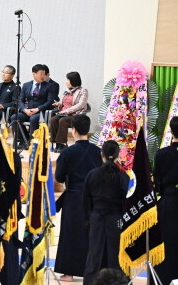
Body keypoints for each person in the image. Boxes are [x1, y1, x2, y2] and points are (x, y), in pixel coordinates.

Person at [54, 114, 102, 282]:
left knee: (71, 234)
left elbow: (59, 177)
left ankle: (69, 273)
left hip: (73, 198)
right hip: (94, 198)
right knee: (92, 234)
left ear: (73, 130)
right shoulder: (98, 151)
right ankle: (93, 271)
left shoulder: (67, 152)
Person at [83, 140, 129, 285]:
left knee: (94, 255)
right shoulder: (123, 177)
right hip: (116, 219)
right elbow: (127, 201)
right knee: (116, 255)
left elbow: (86, 199)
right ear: (117, 155)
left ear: (101, 154)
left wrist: (88, 218)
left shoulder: (92, 174)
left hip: (96, 217)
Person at [152, 116, 178, 283]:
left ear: (171, 131)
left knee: (167, 241)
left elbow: (157, 179)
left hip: (168, 201)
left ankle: (163, 279)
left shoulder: (162, 154)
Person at [10, 64, 57, 140]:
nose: (43, 76)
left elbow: (49, 101)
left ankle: (32, 141)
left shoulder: (49, 86)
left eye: (44, 74)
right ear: (34, 74)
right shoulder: (26, 85)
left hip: (41, 112)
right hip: (28, 111)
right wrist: (25, 110)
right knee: (14, 117)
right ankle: (23, 140)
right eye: (41, 74)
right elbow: (20, 100)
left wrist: (37, 109)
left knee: (33, 119)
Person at [49, 72, 89, 152]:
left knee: (63, 121)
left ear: (74, 80)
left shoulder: (83, 91)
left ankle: (62, 143)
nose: (66, 82)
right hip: (64, 114)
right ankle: (56, 143)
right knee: (53, 120)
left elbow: (81, 105)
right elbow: (64, 103)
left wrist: (66, 111)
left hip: (76, 115)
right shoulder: (67, 91)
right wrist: (59, 104)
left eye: (68, 80)